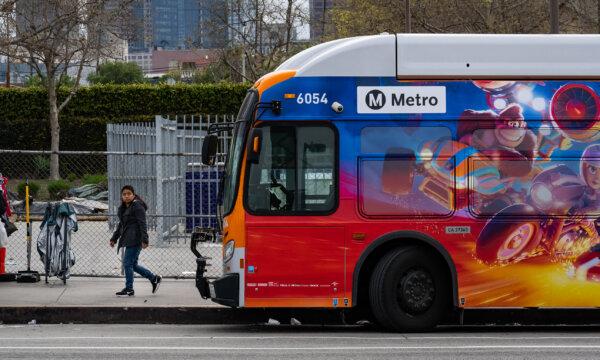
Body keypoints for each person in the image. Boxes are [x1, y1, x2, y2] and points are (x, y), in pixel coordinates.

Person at [110, 185, 161, 296]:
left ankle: (129, 288)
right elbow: (121, 225)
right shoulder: (125, 207)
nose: (127, 196)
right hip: (129, 239)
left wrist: (145, 239)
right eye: (124, 194)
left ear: (133, 195)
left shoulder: (137, 206)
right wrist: (114, 238)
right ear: (121, 196)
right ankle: (154, 278)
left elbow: (142, 224)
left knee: (127, 263)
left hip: (135, 239)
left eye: (129, 194)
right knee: (133, 265)